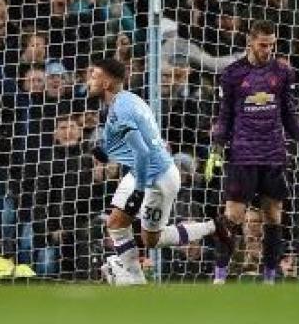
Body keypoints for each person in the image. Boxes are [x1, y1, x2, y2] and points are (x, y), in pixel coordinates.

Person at [86, 58, 231, 286]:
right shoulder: (125, 101)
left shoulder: (122, 109)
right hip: (141, 171)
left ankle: (213, 227)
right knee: (115, 224)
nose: (89, 80)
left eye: (94, 76)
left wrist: (138, 193)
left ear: (106, 83)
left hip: (158, 178)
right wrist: (105, 150)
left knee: (151, 239)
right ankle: (134, 277)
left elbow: (143, 152)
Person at [205, 19, 299, 284]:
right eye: (263, 45)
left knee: (273, 217)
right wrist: (216, 149)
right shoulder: (232, 74)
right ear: (250, 42)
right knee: (233, 218)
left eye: (272, 45)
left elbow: (289, 116)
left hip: (273, 155)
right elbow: (224, 117)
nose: (268, 50)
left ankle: (270, 278)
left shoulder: (283, 73)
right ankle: (219, 277)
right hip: (243, 155)